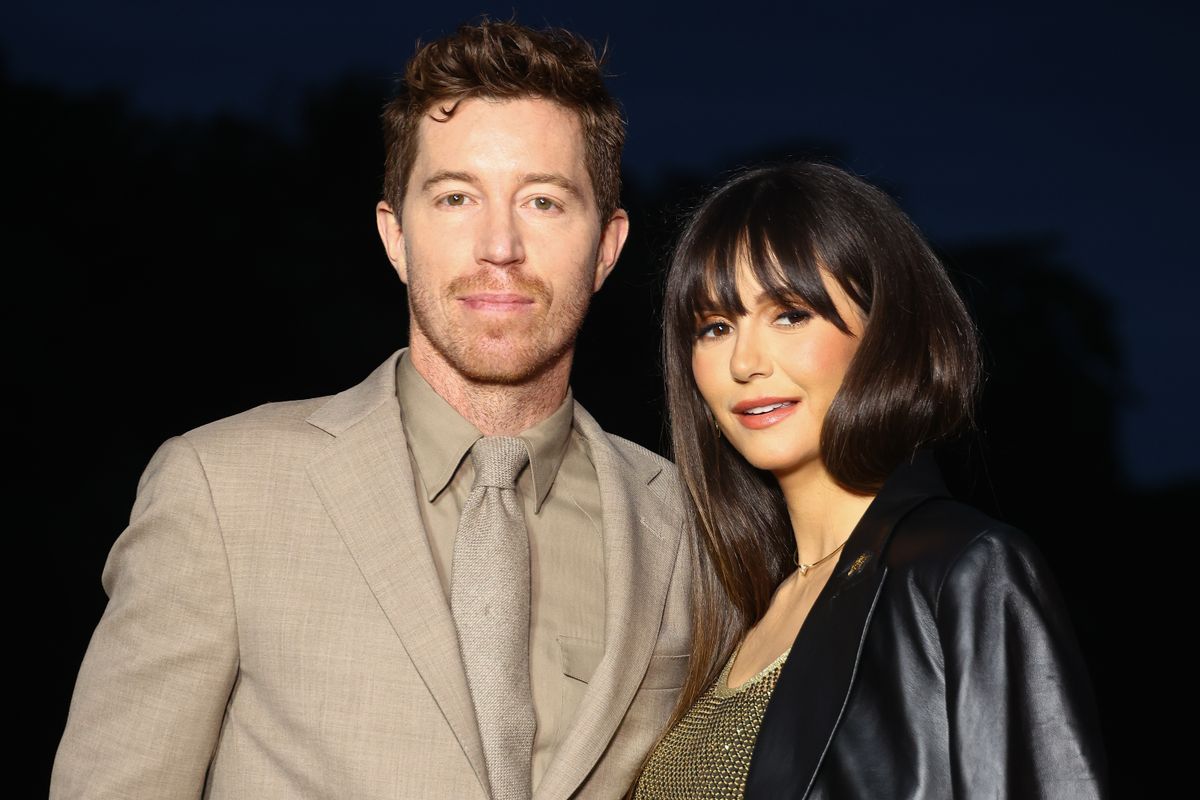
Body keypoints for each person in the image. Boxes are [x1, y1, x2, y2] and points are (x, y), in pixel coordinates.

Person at [52, 20, 692, 800]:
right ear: (395, 236)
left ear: (606, 247)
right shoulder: (221, 490)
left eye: (544, 202)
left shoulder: (683, 531)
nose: (500, 244)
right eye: (456, 197)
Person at [634, 162, 1106, 799]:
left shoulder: (963, 569)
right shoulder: (732, 611)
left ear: (884, 333)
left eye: (791, 314)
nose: (743, 363)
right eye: (715, 327)